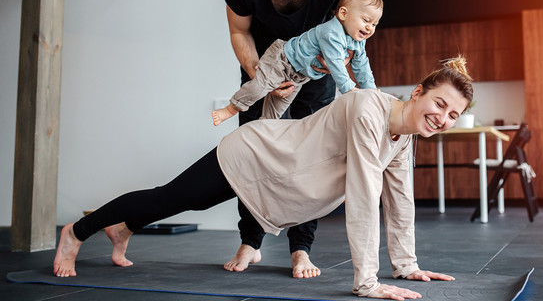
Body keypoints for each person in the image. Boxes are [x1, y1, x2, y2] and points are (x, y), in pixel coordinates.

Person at [53, 56, 474, 299]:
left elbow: (400, 202)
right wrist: (367, 282)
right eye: (440, 104)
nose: (443, 118)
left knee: (185, 201)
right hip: (257, 153)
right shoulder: (369, 109)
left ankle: (123, 228)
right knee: (174, 198)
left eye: (453, 115)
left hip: (282, 177)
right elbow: (364, 196)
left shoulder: (402, 139)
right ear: (418, 92)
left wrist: (406, 266)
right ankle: (77, 231)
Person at [224, 0, 355, 277]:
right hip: (264, 75)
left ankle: (301, 249)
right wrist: (259, 74)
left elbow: (350, 36)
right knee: (253, 157)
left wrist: (327, 67)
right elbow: (239, 31)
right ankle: (250, 242)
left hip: (316, 81)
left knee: (309, 163)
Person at [212, 0, 382, 126]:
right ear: (343, 13)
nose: (370, 28)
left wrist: (371, 91)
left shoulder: (358, 41)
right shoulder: (330, 33)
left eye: (375, 24)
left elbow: (362, 66)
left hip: (299, 75)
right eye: (366, 20)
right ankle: (230, 109)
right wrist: (349, 89)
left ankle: (262, 128)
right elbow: (335, 63)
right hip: (282, 60)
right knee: (259, 87)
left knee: (277, 109)